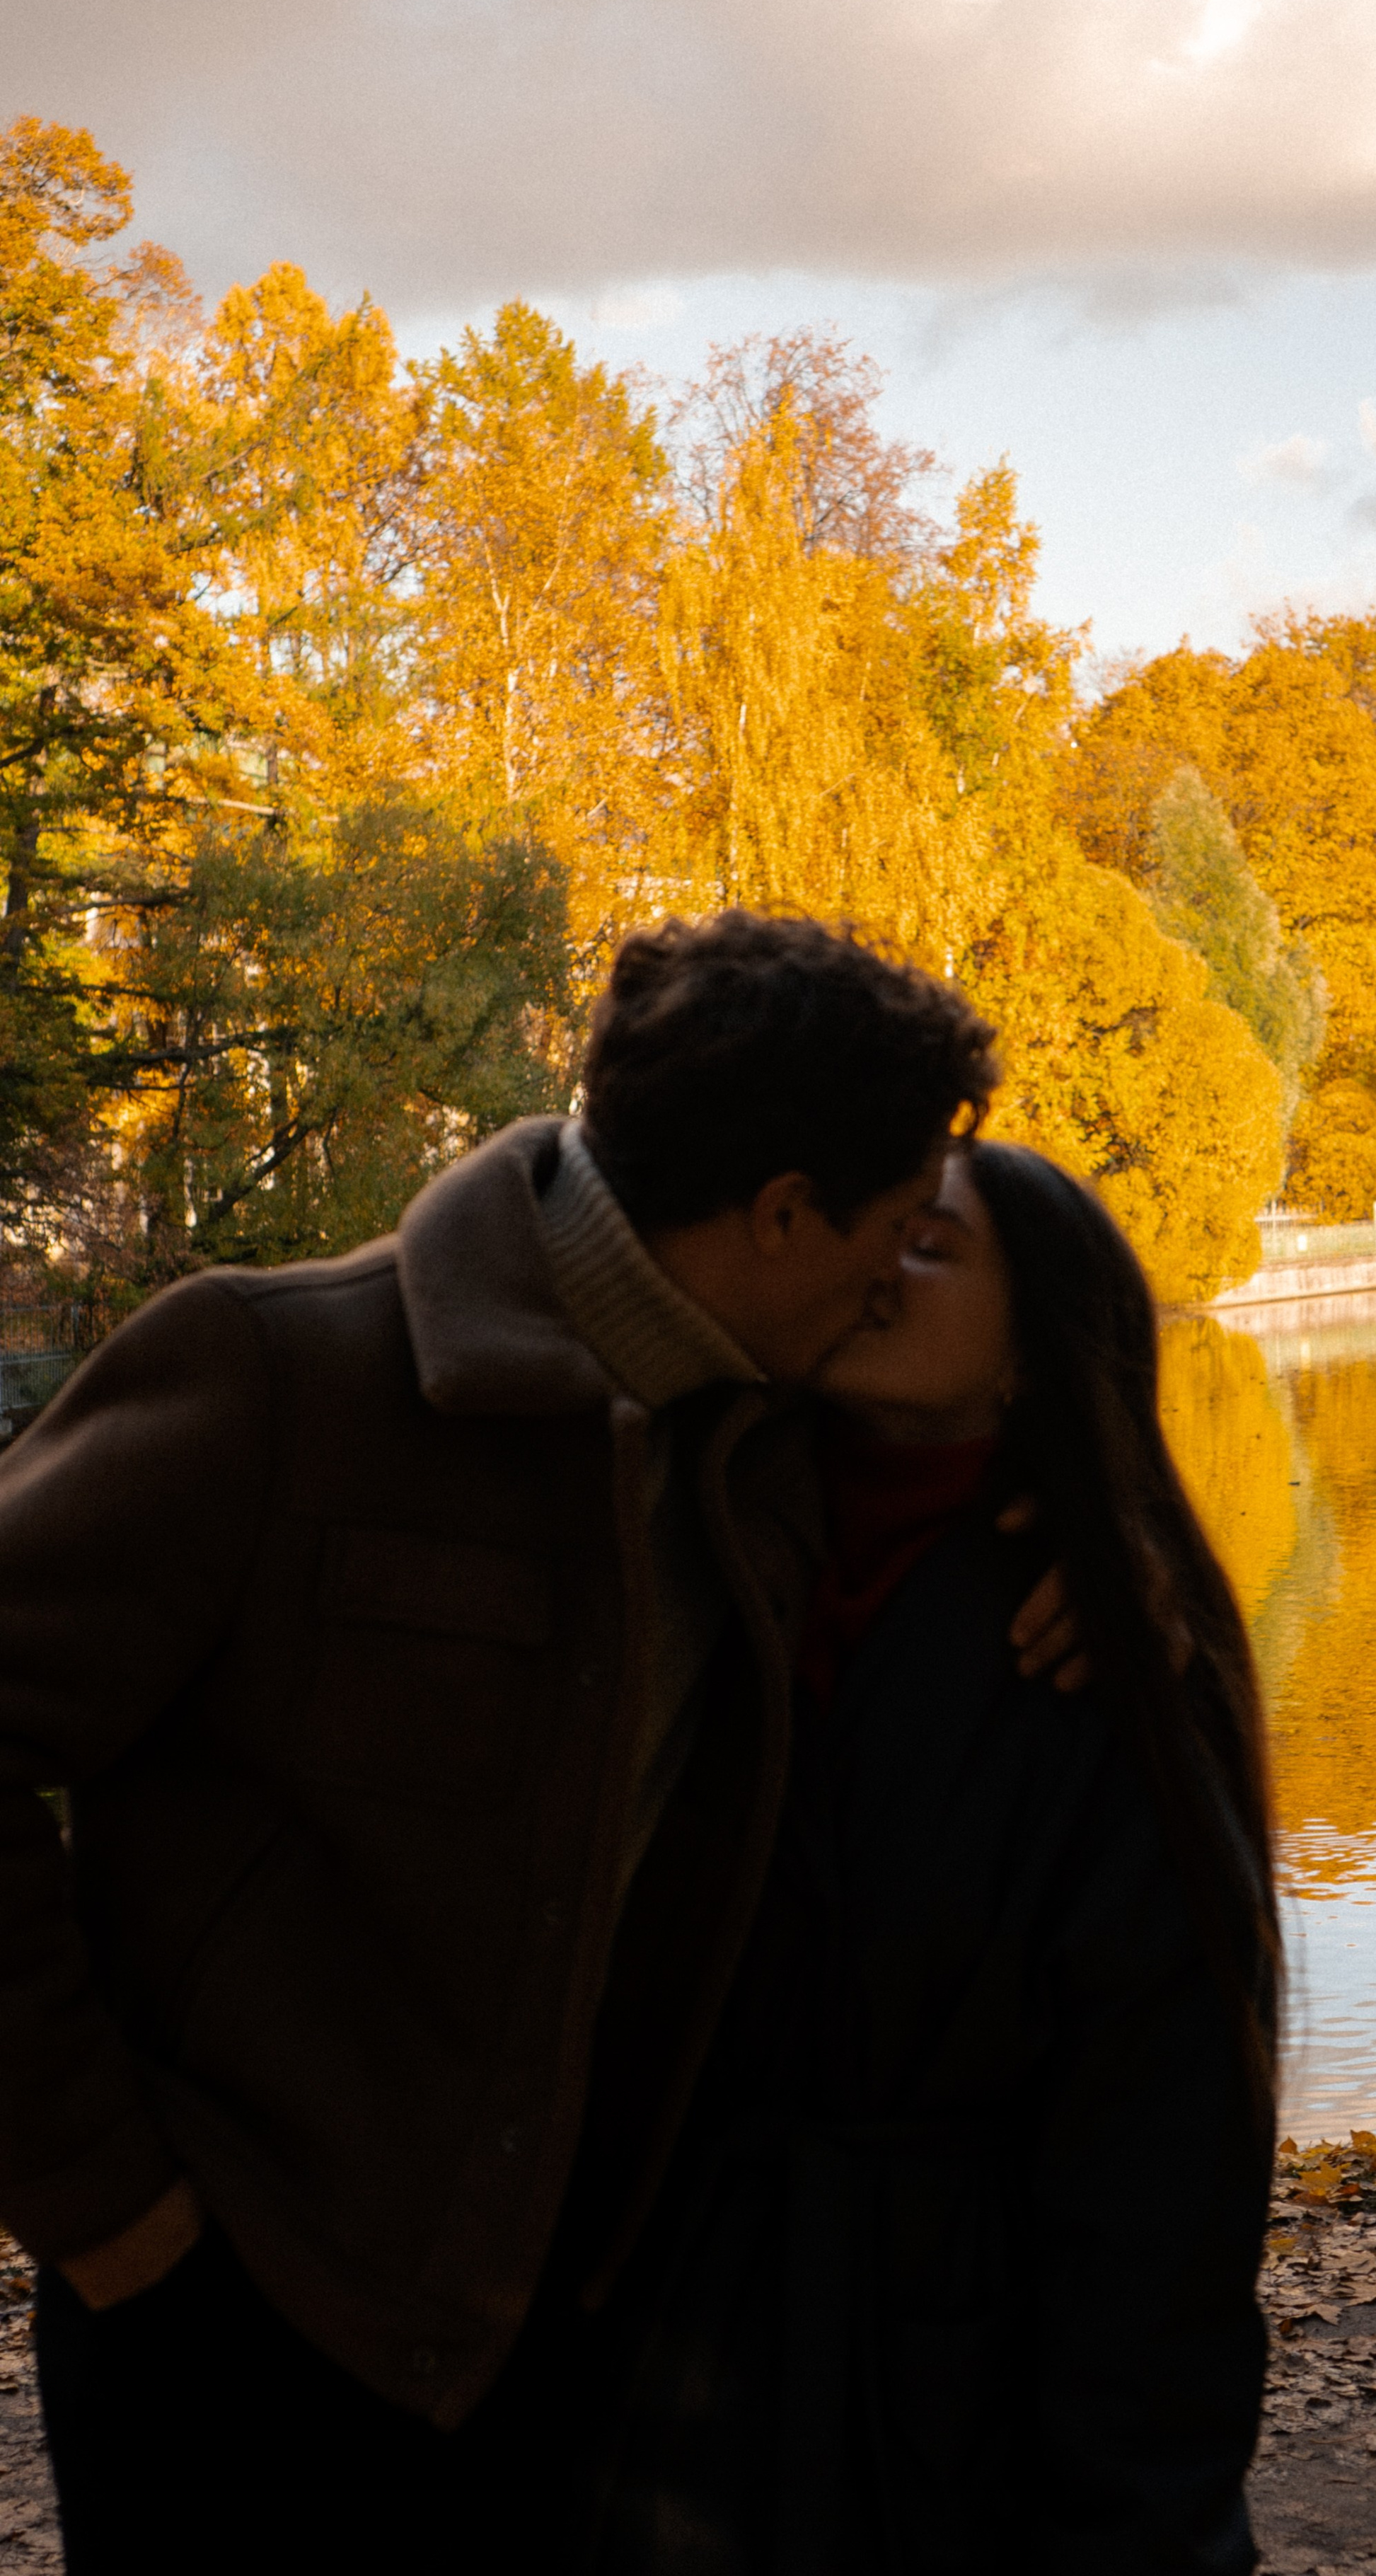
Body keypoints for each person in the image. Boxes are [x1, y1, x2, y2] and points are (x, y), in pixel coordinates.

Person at [0, 912, 1078, 2572]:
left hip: (560, 2349)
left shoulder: (771, 1433)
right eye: (886, 1231)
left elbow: (991, 1434)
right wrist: (111, 2211)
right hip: (219, 2341)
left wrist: (1085, 1544)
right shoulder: (278, 1374)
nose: (893, 1278)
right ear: (782, 1218)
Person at [588, 1138, 1282, 2572]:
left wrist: (1140, 2524)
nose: (873, 1261)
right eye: (870, 1224)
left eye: (931, 1242)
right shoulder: (700, 1528)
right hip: (664, 2352)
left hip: (948, 2395)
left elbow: (1160, 2176)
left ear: (1033, 1345)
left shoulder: (1098, 1657)